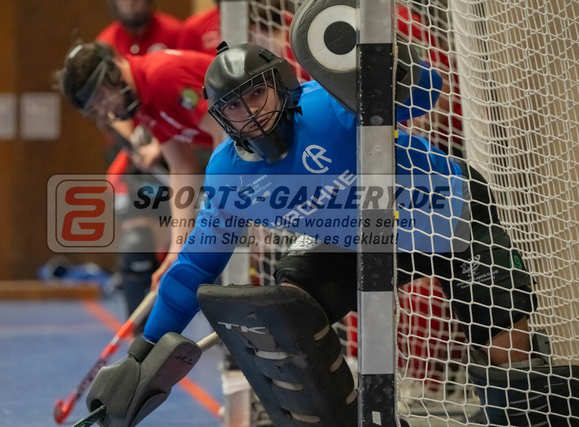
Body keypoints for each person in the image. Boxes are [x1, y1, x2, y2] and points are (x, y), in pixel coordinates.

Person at [84, 43, 575, 427]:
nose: (250, 111)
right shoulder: (229, 175)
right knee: (288, 306)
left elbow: (428, 93)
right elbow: (195, 266)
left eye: (256, 93)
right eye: (234, 106)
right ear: (219, 117)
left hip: (442, 211)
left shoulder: (331, 105)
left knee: (505, 344)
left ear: (280, 85)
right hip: (359, 233)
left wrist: (400, 68)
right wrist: (141, 357)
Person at [57, 42, 223, 295]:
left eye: (101, 97)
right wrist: (177, 247)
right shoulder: (143, 101)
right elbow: (181, 166)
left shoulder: (160, 77)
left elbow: (225, 132)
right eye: (95, 107)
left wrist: (220, 207)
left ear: (114, 70)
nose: (105, 110)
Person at [91, 0, 182, 317]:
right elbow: (107, 106)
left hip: (179, 139)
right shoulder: (106, 43)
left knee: (192, 240)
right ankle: (139, 334)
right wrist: (139, 143)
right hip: (132, 150)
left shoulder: (174, 32)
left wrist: (163, 141)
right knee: (137, 243)